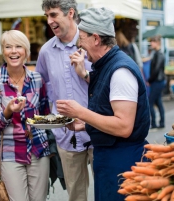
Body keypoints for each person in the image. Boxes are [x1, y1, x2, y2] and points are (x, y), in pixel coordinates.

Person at [56, 7, 150, 201]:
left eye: (81, 38)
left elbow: (124, 126)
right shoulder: (107, 65)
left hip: (123, 161)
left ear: (96, 39)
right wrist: (85, 125)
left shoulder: (120, 72)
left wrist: (80, 112)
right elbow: (107, 110)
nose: (79, 45)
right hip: (110, 160)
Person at [36, 0, 93, 200]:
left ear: (70, 13)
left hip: (97, 130)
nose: (49, 21)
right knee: (76, 195)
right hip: (66, 134)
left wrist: (85, 73)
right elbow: (41, 87)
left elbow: (108, 83)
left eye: (53, 15)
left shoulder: (92, 42)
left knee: (108, 190)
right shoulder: (45, 51)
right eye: (47, 17)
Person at [0, 30, 51, 201]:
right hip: (10, 153)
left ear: (26, 52)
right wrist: (8, 111)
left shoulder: (38, 79)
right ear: (3, 52)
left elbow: (45, 115)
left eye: (18, 46)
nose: (13, 51)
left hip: (38, 149)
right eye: (8, 47)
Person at [147, 35, 166, 129]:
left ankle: (154, 123)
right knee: (158, 102)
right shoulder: (157, 53)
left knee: (150, 102)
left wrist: (149, 80)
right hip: (158, 81)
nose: (151, 43)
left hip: (157, 81)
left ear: (158, 42)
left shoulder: (159, 54)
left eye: (153, 41)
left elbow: (156, 70)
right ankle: (161, 123)